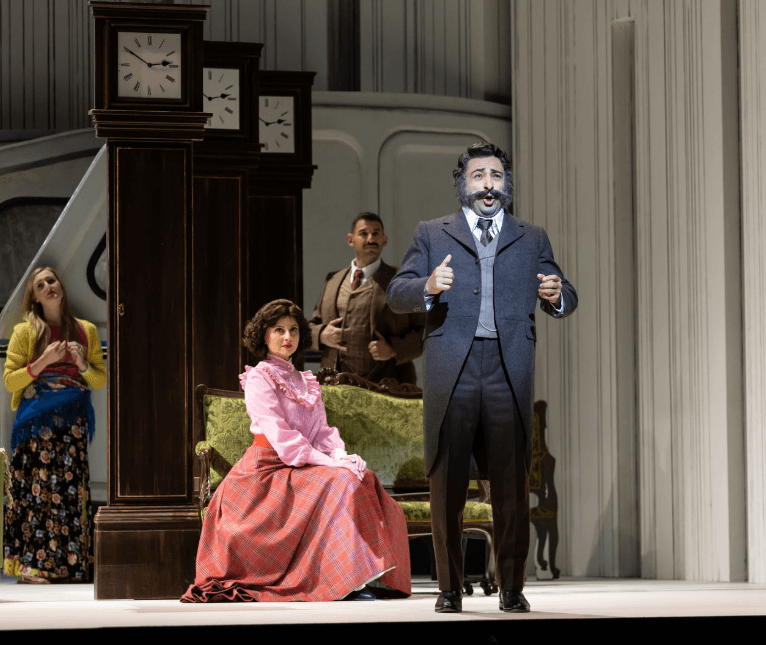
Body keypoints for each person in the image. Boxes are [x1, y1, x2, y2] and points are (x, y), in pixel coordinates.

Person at [386, 142, 577, 613]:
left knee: (511, 485)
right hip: (453, 368)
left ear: (505, 184)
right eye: (478, 176)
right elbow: (396, 293)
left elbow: (566, 295)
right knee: (447, 483)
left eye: (495, 175)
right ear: (463, 184)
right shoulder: (433, 233)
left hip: (508, 370)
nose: (488, 184)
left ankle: (512, 587)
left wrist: (555, 295)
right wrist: (427, 287)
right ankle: (449, 589)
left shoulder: (531, 238)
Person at [182, 299, 411, 602]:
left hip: (301, 467)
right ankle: (345, 578)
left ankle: (368, 573)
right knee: (340, 480)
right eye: (278, 330)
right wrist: (330, 466)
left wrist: (340, 456)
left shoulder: (305, 381)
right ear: (264, 336)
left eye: (292, 330)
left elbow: (322, 432)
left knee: (363, 476)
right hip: (265, 473)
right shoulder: (259, 378)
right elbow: (281, 436)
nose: (287, 338)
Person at [2, 266, 106, 583]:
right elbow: (10, 381)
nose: (48, 286)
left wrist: (82, 364)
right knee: (37, 496)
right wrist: (42, 363)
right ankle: (31, 567)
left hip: (72, 423)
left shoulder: (85, 331)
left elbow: (98, 380)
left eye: (52, 280)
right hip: (36, 424)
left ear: (61, 286)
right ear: (33, 296)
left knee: (71, 495)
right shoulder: (25, 332)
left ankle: (70, 566)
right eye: (40, 284)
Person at [309, 212, 425, 385]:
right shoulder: (332, 281)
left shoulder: (403, 281)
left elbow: (424, 331)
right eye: (363, 233)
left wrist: (394, 349)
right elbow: (312, 325)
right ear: (350, 240)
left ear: (384, 240)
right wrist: (321, 335)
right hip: (334, 384)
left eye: (376, 233)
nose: (370, 239)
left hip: (386, 386)